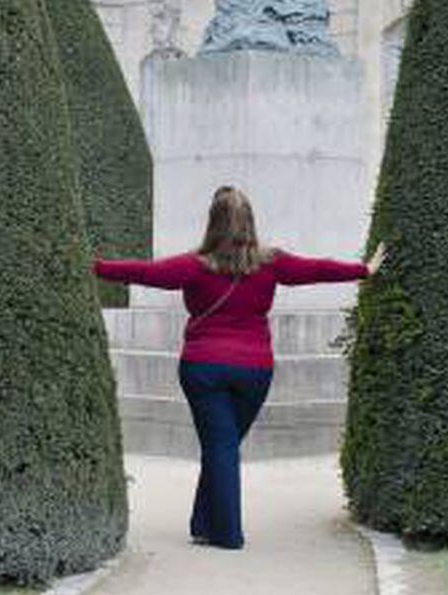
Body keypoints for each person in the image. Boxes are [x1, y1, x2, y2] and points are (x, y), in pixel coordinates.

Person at [93, 186, 385, 550]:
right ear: (250, 222)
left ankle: (228, 535)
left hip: (203, 368)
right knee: (223, 446)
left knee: (221, 447)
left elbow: (145, 272)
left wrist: (95, 266)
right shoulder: (273, 262)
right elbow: (317, 268)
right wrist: (363, 270)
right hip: (254, 372)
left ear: (213, 223)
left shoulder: (193, 266)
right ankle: (203, 524)